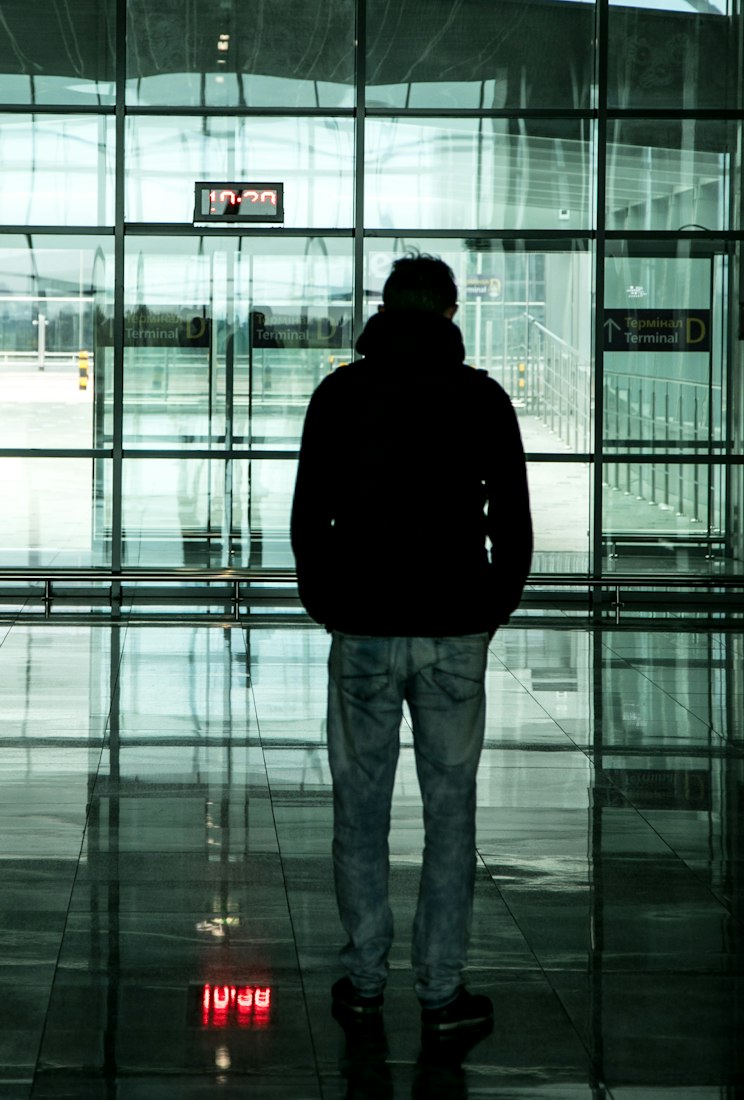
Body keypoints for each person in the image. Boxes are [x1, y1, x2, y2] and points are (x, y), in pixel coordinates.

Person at [290, 252, 532, 1035]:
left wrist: (329, 602)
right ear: (451, 313)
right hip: (454, 627)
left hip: (361, 625)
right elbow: (515, 526)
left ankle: (364, 979)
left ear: (386, 308)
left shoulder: (340, 394)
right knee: (450, 810)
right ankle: (439, 991)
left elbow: (307, 517)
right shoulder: (482, 398)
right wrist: (488, 609)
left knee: (359, 809)